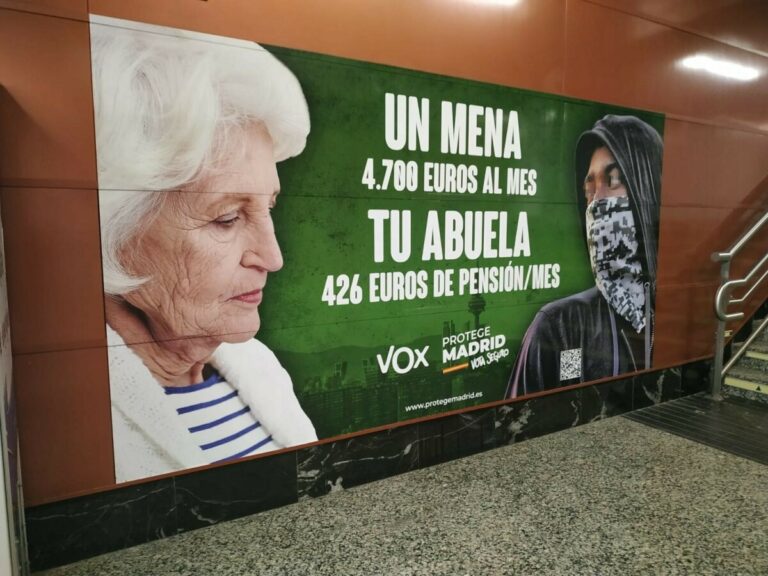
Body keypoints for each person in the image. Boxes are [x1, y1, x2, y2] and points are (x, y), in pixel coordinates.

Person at [90, 15, 317, 483]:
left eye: (268, 206)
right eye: (227, 218)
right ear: (114, 230)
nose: (272, 258)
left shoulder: (257, 365)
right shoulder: (70, 416)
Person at [507, 115, 662, 399]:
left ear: (648, 188)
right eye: (589, 190)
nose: (598, 202)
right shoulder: (560, 325)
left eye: (614, 180)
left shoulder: (675, 311)